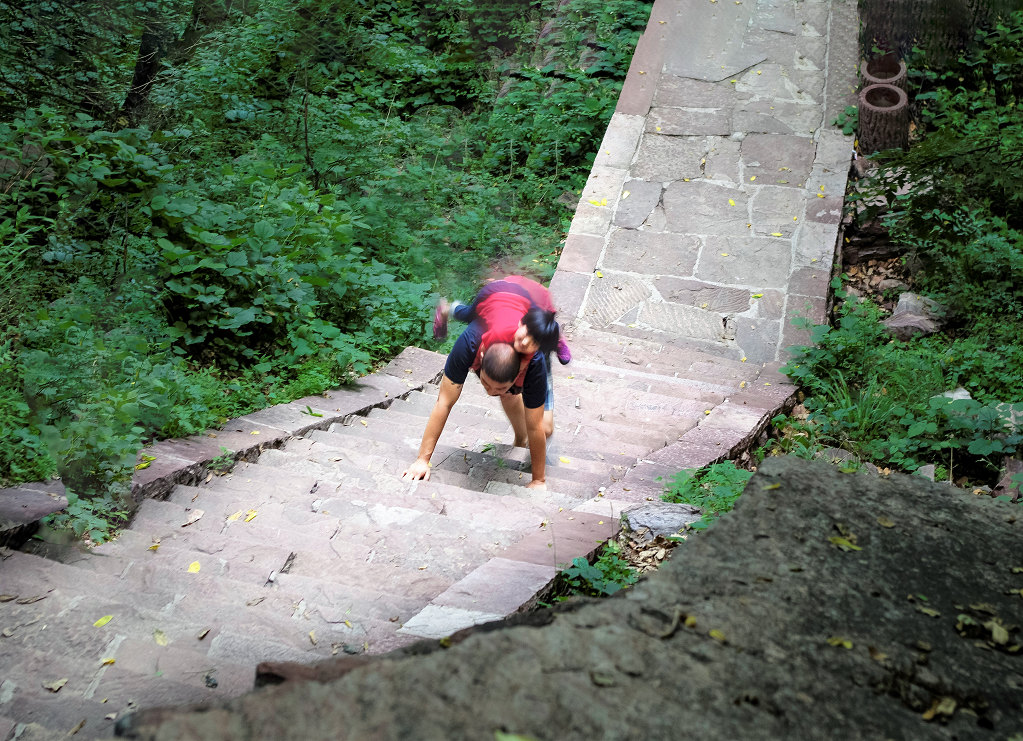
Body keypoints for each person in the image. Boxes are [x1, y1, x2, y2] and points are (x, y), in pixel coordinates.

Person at [402, 276, 562, 489]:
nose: (490, 393)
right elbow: (444, 402)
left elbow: (536, 427)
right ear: (479, 360)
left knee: (545, 428)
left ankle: (519, 430)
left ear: (518, 375)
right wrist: (422, 460)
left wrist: (538, 480)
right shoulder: (468, 344)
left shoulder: (534, 361)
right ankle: (451, 309)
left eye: (499, 388)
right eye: (486, 384)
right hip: (493, 299)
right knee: (470, 314)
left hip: (525, 306)